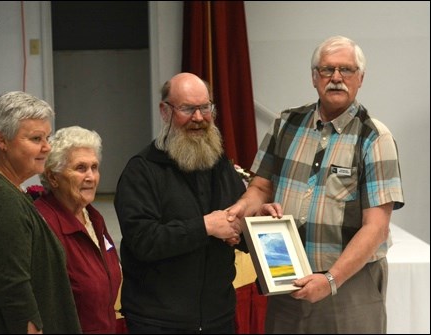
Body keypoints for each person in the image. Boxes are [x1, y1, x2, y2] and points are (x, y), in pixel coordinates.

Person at [227, 35, 405, 333]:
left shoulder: (375, 137)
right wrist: (240, 212)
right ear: (314, 77)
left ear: (360, 78)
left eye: (346, 70)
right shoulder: (286, 124)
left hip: (349, 286)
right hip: (287, 280)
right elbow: (260, 188)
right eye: (327, 70)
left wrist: (331, 280)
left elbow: (377, 228)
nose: (336, 78)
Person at [114, 72, 246, 334]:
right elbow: (143, 241)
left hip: (218, 318)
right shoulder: (141, 171)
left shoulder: (219, 164)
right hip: (158, 322)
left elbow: (235, 223)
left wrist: (252, 224)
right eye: (187, 109)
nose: (198, 118)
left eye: (205, 108)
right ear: (165, 112)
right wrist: (204, 226)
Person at [0, 91, 82, 334]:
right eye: (35, 139)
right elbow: (15, 289)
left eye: (47, 137)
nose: (46, 147)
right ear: (1, 140)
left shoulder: (5, 189)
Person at [34, 126, 122, 334]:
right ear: (53, 177)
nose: (91, 177)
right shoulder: (43, 224)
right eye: (81, 168)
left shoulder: (94, 218)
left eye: (94, 167)